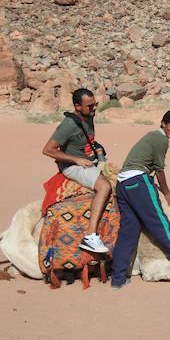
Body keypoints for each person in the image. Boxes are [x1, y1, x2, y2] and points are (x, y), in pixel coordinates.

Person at [109, 110, 170, 288]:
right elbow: (159, 169)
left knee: (128, 232)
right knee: (159, 223)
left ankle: (118, 278)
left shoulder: (151, 136)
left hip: (123, 184)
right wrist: (167, 192)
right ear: (163, 123)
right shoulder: (161, 138)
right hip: (138, 181)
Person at [42, 88, 112, 254]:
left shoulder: (89, 117)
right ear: (77, 106)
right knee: (104, 187)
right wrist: (76, 159)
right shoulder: (69, 125)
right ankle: (90, 236)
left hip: (88, 161)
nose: (94, 108)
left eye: (95, 104)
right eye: (89, 106)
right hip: (73, 166)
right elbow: (48, 150)